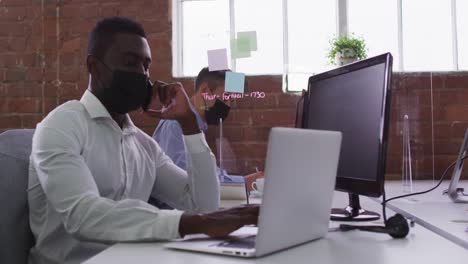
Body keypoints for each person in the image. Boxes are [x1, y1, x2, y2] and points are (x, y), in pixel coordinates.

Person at [27, 17, 258, 264]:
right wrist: (195, 223)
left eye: (146, 66)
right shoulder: (62, 126)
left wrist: (190, 125)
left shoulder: (142, 144)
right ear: (94, 66)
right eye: (130, 62)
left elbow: (204, 204)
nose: (142, 74)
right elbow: (83, 216)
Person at [153, 67, 232, 173]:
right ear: (205, 91)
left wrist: (236, 181)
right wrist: (240, 182)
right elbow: (183, 175)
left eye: (231, 100)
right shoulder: (176, 123)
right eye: (226, 97)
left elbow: (201, 169)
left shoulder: (196, 125)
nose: (228, 105)